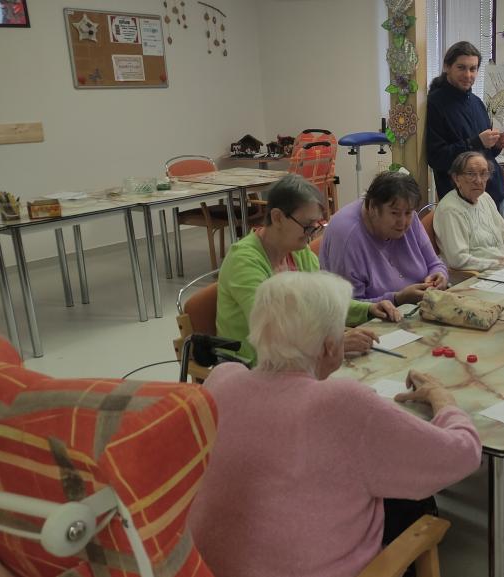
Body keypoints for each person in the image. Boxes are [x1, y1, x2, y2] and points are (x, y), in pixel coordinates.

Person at [189, 271, 482, 577]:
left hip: (202, 570)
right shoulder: (342, 403)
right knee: (410, 504)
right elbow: (463, 454)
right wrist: (442, 399)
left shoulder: (221, 380)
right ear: (330, 346)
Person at [215, 174, 400, 366]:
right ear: (277, 218)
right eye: (307, 226)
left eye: (316, 225)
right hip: (253, 364)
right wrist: (333, 344)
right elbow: (272, 330)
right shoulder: (244, 261)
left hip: (293, 357)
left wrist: (369, 309)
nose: (311, 234)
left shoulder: (298, 251)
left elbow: (324, 301)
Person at [320, 171, 448, 305]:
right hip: (374, 317)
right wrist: (397, 299)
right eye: (394, 213)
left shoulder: (408, 214)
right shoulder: (347, 237)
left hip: (416, 307)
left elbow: (434, 264)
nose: (402, 222)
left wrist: (439, 275)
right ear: (372, 207)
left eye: (408, 213)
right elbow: (350, 307)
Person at [427, 41, 504, 206]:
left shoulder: (477, 103)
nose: (468, 75)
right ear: (447, 67)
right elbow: (437, 158)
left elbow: (484, 154)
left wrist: (496, 146)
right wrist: (477, 142)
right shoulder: (435, 103)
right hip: (460, 201)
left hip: (490, 198)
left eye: (473, 69)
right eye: (461, 67)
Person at [433, 151, 504, 271]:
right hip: (480, 275)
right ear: (456, 178)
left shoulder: (485, 198)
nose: (478, 180)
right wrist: (500, 264)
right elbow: (458, 260)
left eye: (483, 174)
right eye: (470, 174)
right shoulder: (450, 210)